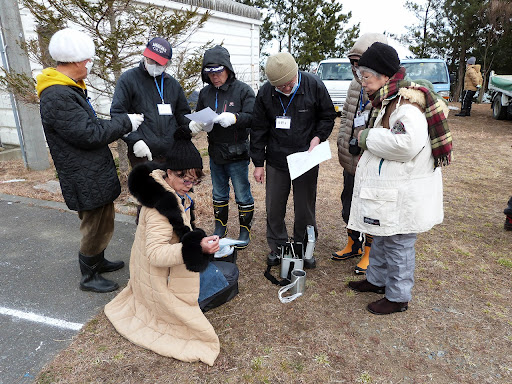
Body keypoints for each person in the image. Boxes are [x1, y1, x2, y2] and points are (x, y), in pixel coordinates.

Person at [346, 42, 452, 315]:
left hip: (404, 193)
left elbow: (406, 144)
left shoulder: (407, 105)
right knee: (382, 236)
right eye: (361, 76)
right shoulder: (390, 101)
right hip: (393, 191)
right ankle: (377, 280)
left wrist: (365, 137)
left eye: (366, 76)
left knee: (399, 244)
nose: (362, 83)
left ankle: (398, 296)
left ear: (383, 76)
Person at [35, 28, 144, 293]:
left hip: (91, 169)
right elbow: (89, 133)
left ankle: (99, 260)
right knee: (95, 225)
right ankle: (89, 274)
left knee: (103, 219)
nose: (89, 67)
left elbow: (88, 125)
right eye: (87, 62)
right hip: (82, 172)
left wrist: (119, 124)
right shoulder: (58, 95)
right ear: (75, 62)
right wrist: (124, 122)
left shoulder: (71, 90)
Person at [104, 129, 221, 366]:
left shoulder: (171, 192)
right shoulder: (160, 208)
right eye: (184, 179)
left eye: (195, 180)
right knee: (224, 278)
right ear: (168, 173)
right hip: (161, 278)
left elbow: (180, 232)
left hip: (164, 271)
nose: (189, 185)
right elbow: (156, 255)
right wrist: (198, 248)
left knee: (224, 272)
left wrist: (197, 244)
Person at [250, 52, 336, 268]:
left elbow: (327, 116)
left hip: (305, 158)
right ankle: (278, 247)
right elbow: (258, 128)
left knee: (305, 207)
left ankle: (304, 247)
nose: (286, 89)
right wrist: (258, 163)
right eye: (280, 87)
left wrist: (317, 137)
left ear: (296, 73)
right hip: (277, 158)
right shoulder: (266, 92)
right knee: (274, 207)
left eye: (289, 84)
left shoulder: (314, 85)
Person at [332, 33, 388, 275]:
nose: (356, 69)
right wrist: (342, 141)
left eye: (360, 63)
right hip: (351, 158)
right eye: (353, 63)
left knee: (371, 209)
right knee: (349, 203)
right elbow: (346, 115)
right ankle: (352, 243)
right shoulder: (355, 85)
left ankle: (369, 252)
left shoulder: (385, 89)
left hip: (372, 159)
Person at [189, 45, 255, 248]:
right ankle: (220, 227)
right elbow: (200, 114)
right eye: (210, 73)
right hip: (216, 151)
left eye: (218, 71)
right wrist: (199, 124)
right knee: (218, 193)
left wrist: (235, 118)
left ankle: (244, 231)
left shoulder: (243, 90)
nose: (215, 77)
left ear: (227, 68)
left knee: (242, 192)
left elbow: (254, 117)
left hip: (238, 152)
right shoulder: (205, 93)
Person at [111, 37, 192, 165]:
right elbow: (118, 114)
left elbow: (182, 115)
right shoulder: (128, 80)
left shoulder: (173, 85)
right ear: (145, 56)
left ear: (167, 64)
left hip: (171, 154)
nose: (154, 65)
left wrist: (191, 125)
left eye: (159, 63)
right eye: (151, 60)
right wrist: (135, 140)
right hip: (142, 154)